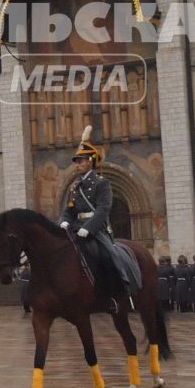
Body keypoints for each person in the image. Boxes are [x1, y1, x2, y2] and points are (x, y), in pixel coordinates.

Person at [61, 128, 120, 306]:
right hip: (76, 227)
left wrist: (88, 228)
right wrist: (64, 222)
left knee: (108, 256)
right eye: (77, 161)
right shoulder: (75, 186)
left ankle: (112, 296)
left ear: (90, 162)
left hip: (96, 230)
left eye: (81, 161)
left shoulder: (102, 183)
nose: (77, 164)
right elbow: (69, 210)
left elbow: (103, 209)